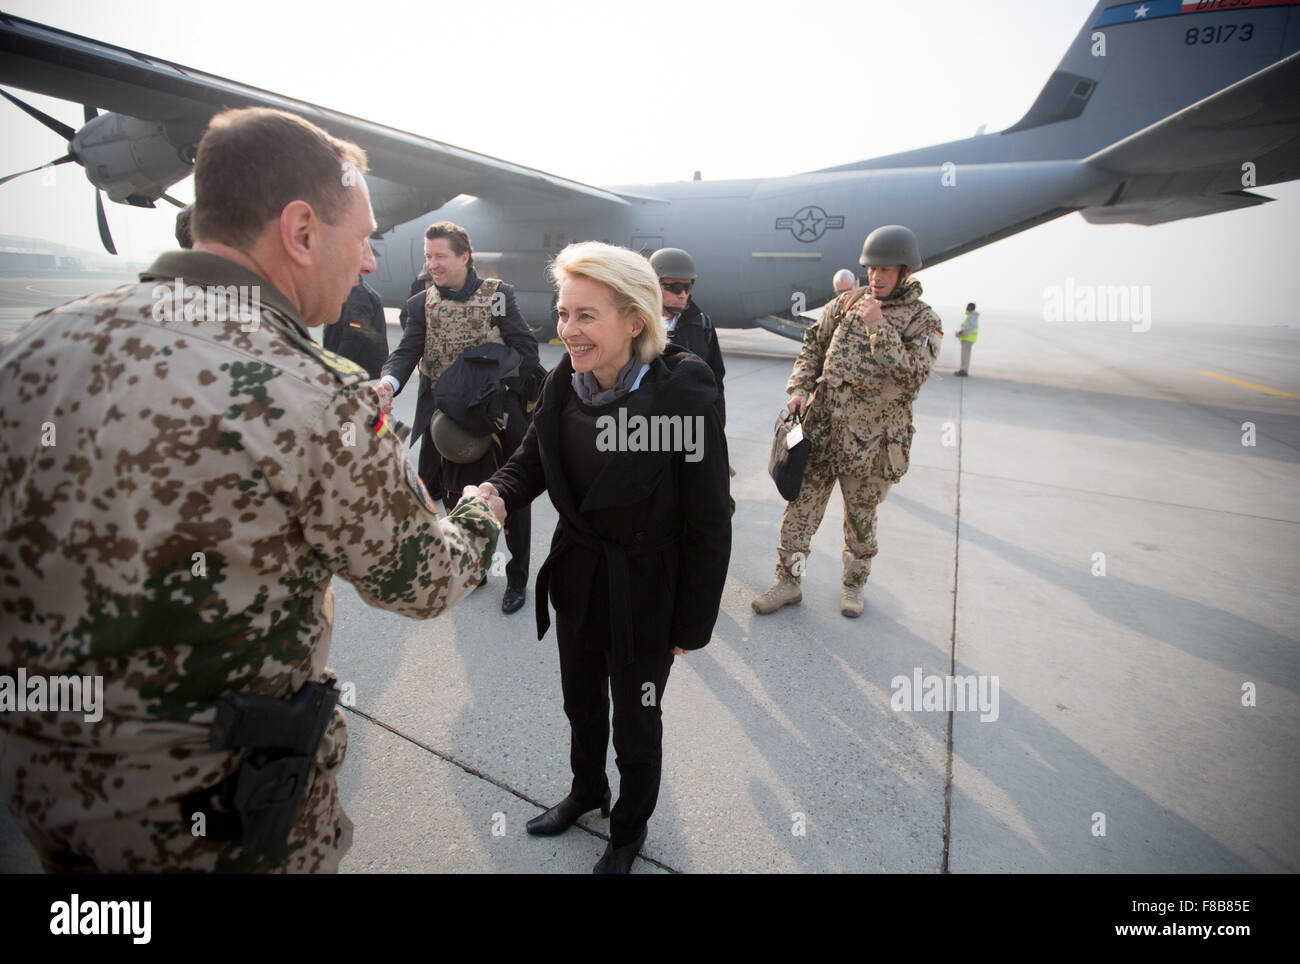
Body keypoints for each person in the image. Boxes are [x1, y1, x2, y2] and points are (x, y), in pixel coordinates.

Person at [0, 107, 505, 873]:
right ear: (301, 233)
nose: (370, 262)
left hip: (52, 811)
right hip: (221, 827)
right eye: (361, 236)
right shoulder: (317, 396)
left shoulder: (36, 350)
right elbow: (421, 582)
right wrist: (478, 516)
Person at [475, 241, 730, 873]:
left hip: (646, 587)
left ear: (634, 320)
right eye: (563, 314)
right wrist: (498, 493)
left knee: (636, 719)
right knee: (581, 701)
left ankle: (628, 830)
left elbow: (709, 519)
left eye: (585, 315)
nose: (567, 330)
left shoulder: (683, 389)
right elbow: (534, 458)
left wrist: (691, 623)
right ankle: (586, 790)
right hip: (581, 574)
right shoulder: (568, 379)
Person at [752, 224, 941, 619]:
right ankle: (788, 581)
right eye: (872, 269)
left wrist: (878, 325)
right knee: (799, 512)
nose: (876, 277)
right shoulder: (845, 303)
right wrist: (800, 388)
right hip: (821, 433)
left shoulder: (923, 321)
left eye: (886, 270)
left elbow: (912, 375)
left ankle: (853, 587)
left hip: (871, 444)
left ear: (906, 272)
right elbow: (813, 346)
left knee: (860, 521)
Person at [377, 222, 541, 615]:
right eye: (428, 256)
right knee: (454, 495)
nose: (432, 264)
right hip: (448, 419)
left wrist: (492, 383)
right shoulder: (421, 304)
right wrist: (387, 382)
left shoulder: (498, 296)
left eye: (440, 256)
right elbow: (407, 351)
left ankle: (517, 577)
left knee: (509, 496)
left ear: (464, 256)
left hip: (496, 414)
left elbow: (525, 349)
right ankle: (476, 565)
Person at [649, 247, 725, 428]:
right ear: (653, 285)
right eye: (674, 287)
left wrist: (717, 427)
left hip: (692, 429)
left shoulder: (702, 326)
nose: (683, 294)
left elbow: (716, 380)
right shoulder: (635, 325)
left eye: (687, 286)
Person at [323, 274, 389, 379]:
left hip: (358, 372)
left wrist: (338, 367)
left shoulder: (358, 295)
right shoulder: (348, 290)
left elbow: (353, 337)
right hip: (354, 370)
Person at [956, 301, 978, 376]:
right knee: (965, 355)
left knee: (965, 355)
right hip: (967, 338)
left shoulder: (972, 316)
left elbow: (971, 326)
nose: (966, 308)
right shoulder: (971, 315)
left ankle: (964, 370)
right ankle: (963, 369)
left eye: (967, 306)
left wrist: (962, 331)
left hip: (968, 338)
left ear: (970, 307)